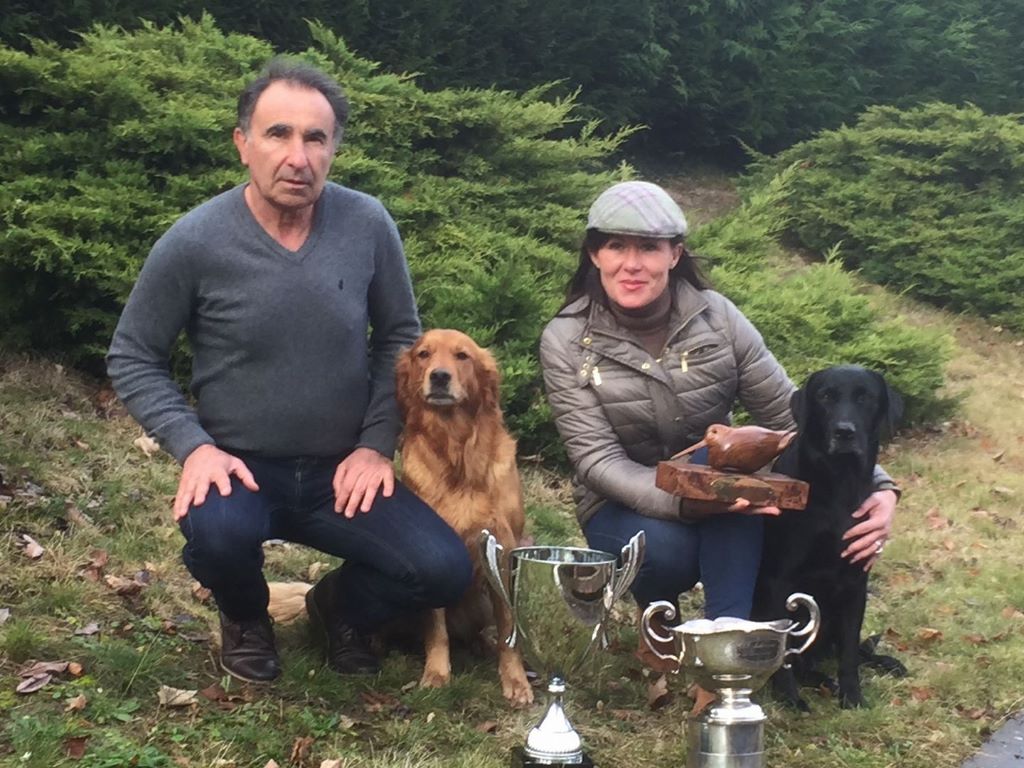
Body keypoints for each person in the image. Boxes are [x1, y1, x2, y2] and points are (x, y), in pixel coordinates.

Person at [107, 58, 472, 684]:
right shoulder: (195, 241)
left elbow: (399, 340)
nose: (297, 156)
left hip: (343, 471)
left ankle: (343, 610)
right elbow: (133, 355)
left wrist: (374, 446)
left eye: (315, 138)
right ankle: (247, 619)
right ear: (243, 143)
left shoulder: (366, 224)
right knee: (218, 536)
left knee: (443, 569)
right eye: (278, 134)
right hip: (239, 466)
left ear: (334, 150)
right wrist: (194, 449)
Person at [538, 181, 899, 655]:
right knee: (671, 553)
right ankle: (660, 635)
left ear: (674, 254)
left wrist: (882, 488)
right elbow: (597, 461)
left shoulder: (720, 318)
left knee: (735, 484)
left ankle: (729, 654)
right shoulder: (564, 340)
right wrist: (687, 502)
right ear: (594, 255)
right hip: (619, 503)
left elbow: (791, 416)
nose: (631, 263)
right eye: (615, 246)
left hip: (720, 492)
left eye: (648, 247)